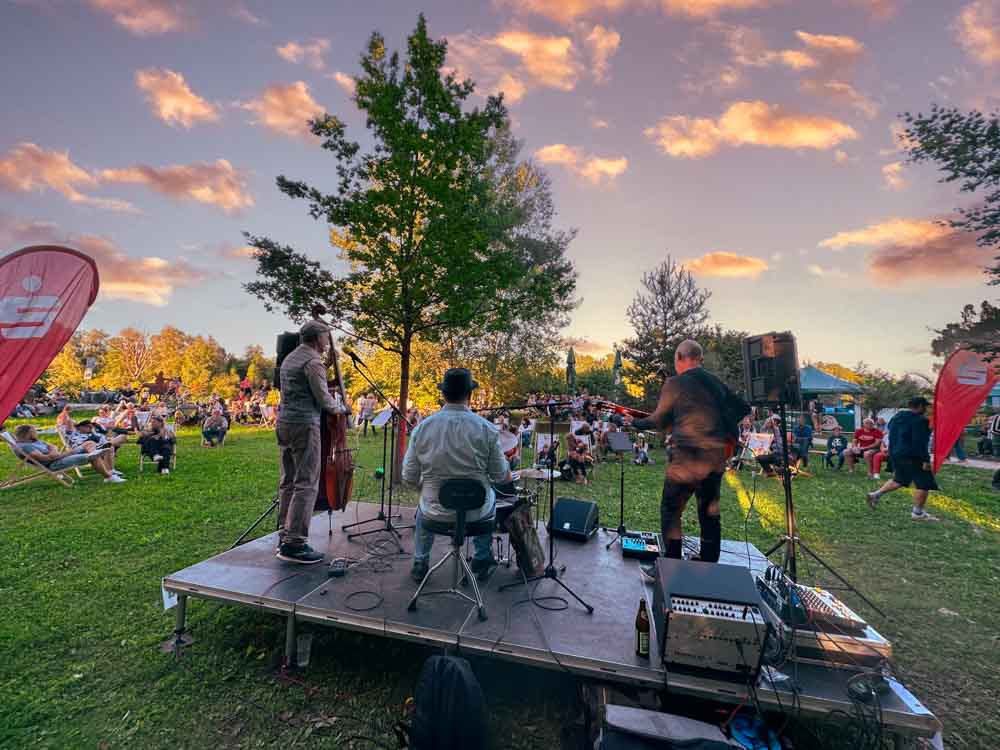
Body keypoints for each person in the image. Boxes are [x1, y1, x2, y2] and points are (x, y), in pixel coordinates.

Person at [626, 339, 748, 573]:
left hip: (687, 458)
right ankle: (708, 564)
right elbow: (743, 408)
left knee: (671, 509)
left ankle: (671, 565)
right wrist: (719, 428)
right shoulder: (715, 383)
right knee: (709, 511)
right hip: (714, 458)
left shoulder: (675, 383)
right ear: (699, 359)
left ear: (681, 358)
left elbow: (658, 420)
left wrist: (634, 422)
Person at [402, 368, 511, 583]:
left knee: (423, 507)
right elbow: (500, 476)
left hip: (435, 513)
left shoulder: (422, 429)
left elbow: (409, 476)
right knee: (490, 497)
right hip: (475, 514)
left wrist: (425, 488)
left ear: (443, 395)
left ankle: (420, 562)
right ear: (469, 395)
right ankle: (481, 558)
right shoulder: (487, 430)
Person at [275, 320, 349, 564]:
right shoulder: (313, 361)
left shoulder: (291, 358)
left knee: (288, 481)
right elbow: (324, 399)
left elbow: (307, 384)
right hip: (304, 426)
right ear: (318, 339)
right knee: (306, 483)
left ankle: (284, 532)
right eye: (326, 338)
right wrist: (343, 409)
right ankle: (295, 543)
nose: (328, 343)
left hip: (284, 423)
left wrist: (326, 367)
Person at [866, 397, 939, 521]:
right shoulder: (920, 421)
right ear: (920, 406)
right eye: (925, 407)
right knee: (924, 483)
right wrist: (926, 460)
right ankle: (918, 513)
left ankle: (875, 495)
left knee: (900, 479)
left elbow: (892, 434)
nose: (926, 409)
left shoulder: (897, 417)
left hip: (896, 454)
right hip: (913, 455)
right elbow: (919, 443)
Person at [13, 424, 124, 483]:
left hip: (58, 457)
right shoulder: (25, 447)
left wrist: (54, 451)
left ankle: (100, 456)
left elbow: (52, 447)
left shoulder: (33, 441)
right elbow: (47, 458)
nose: (36, 434)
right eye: (34, 432)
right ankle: (109, 476)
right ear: (28, 434)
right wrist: (56, 452)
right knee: (92, 456)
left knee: (89, 443)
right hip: (54, 464)